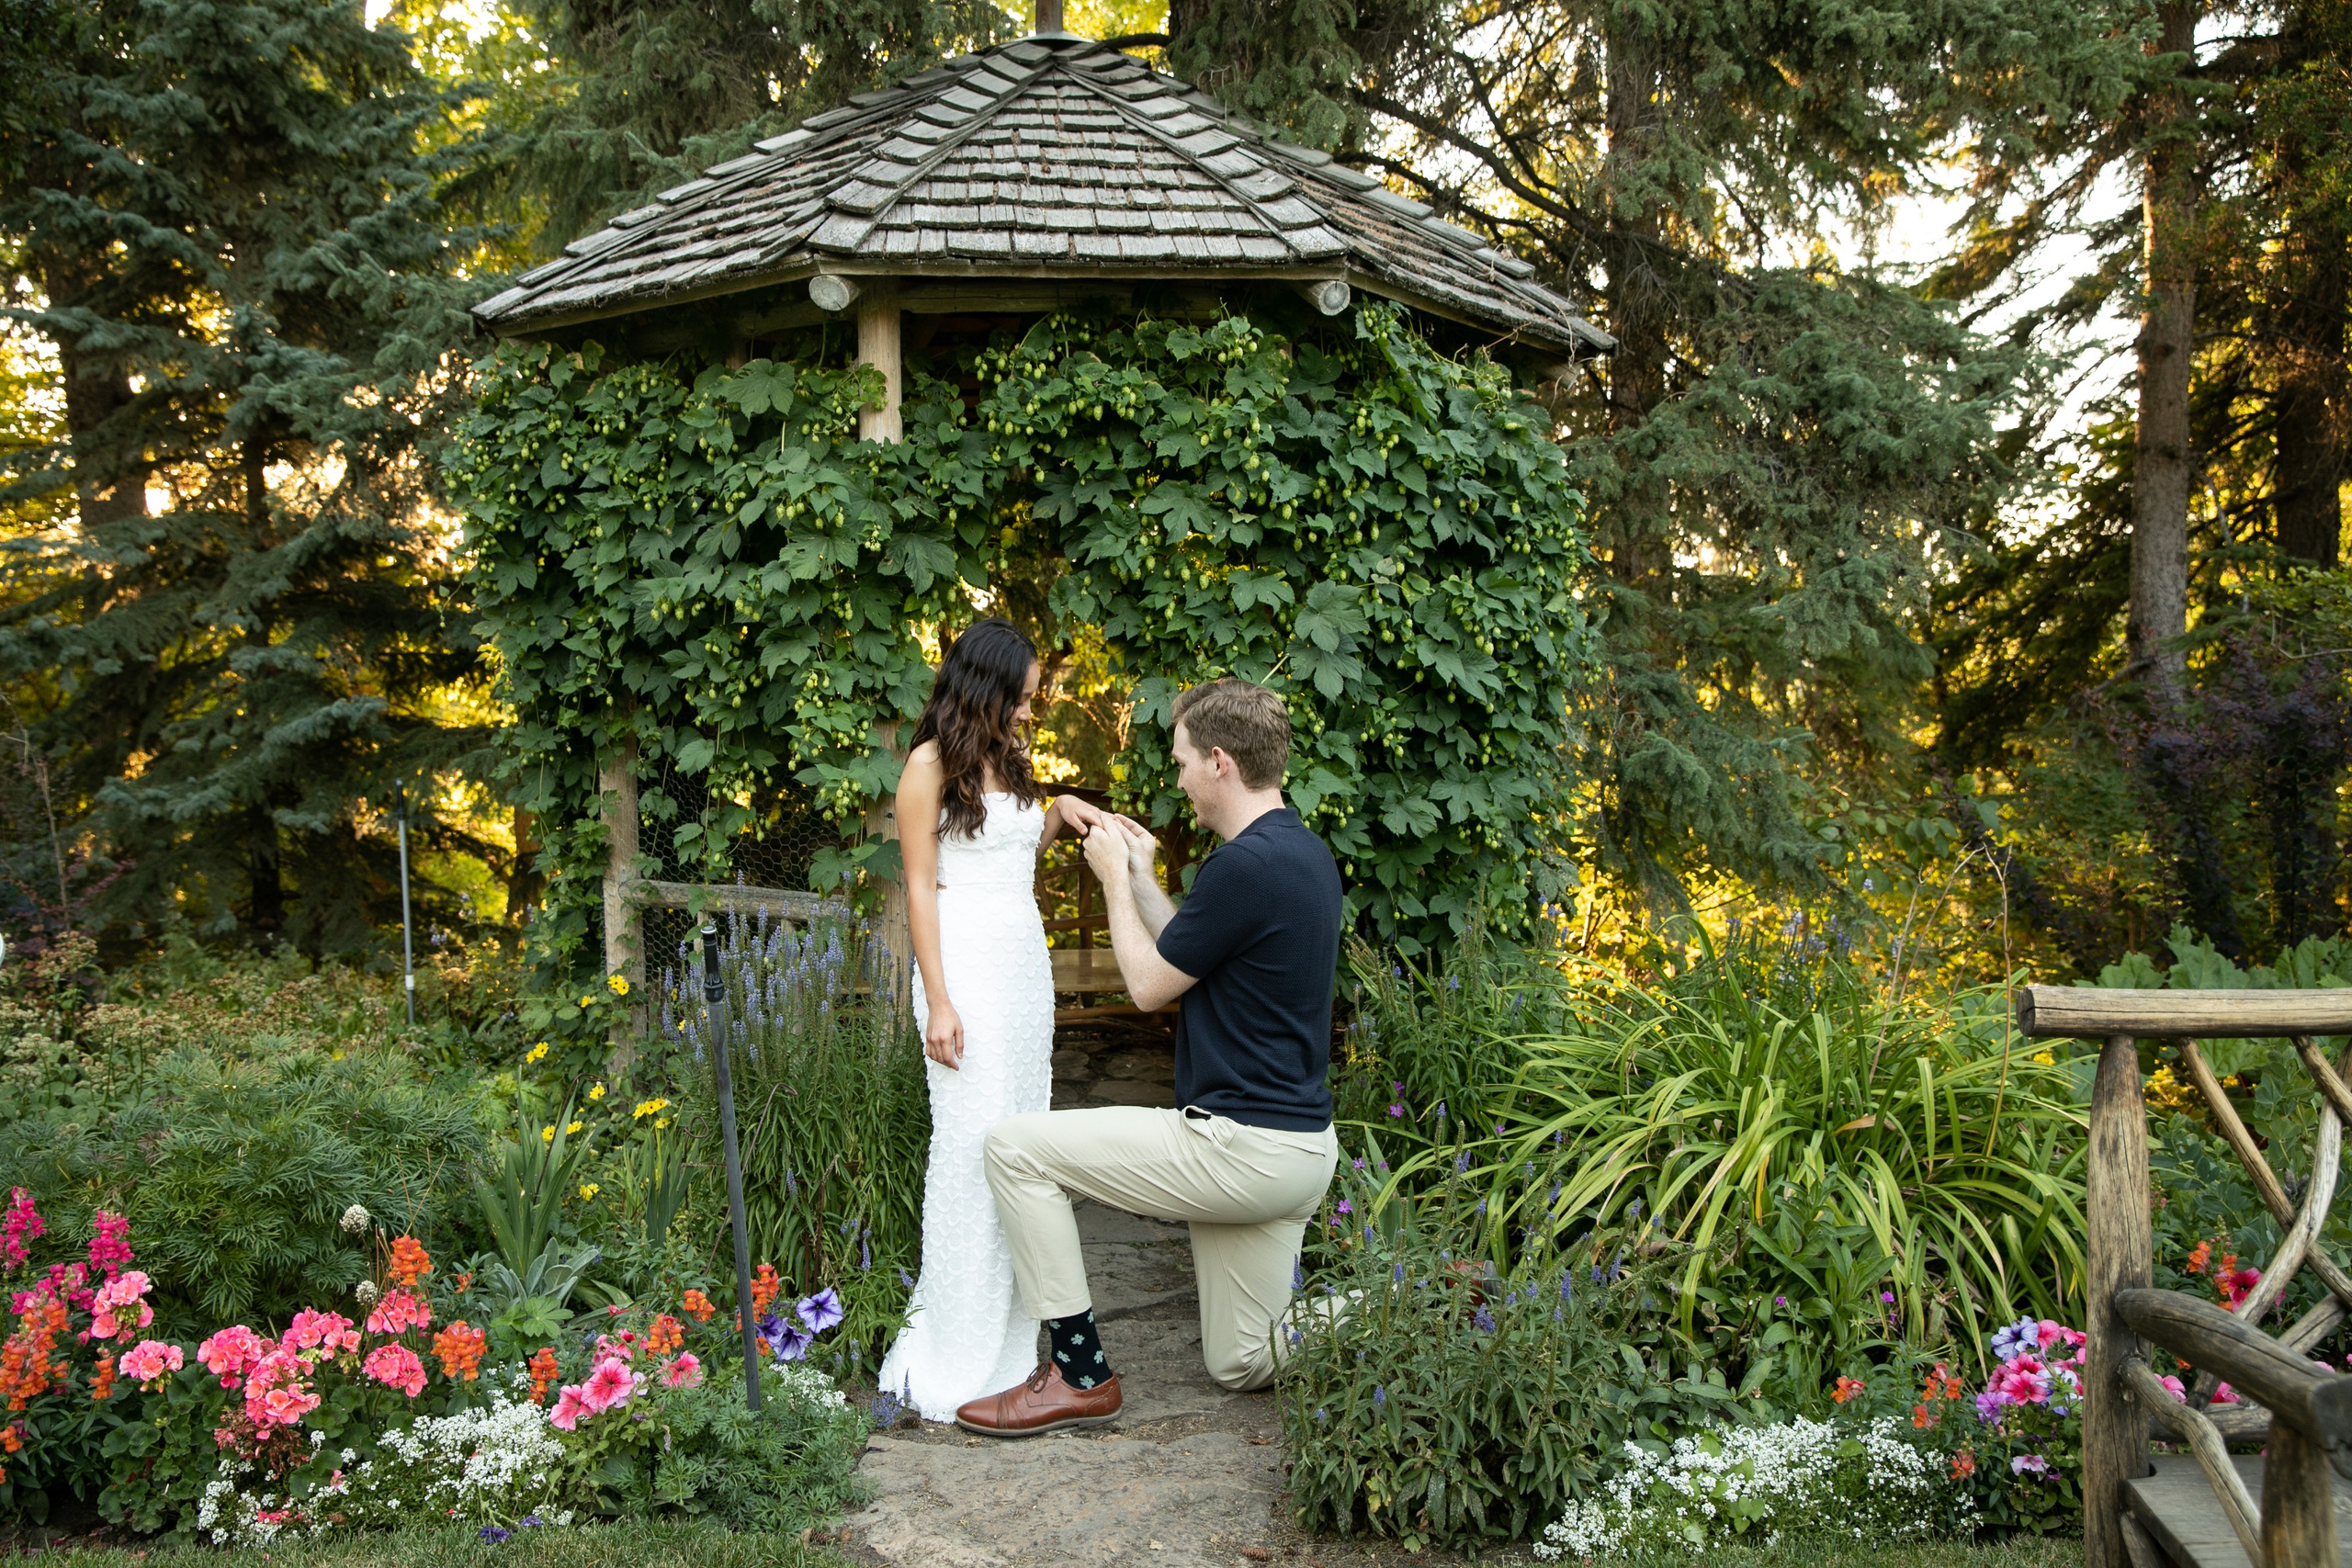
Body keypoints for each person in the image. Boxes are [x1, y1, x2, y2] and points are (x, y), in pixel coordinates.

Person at [955, 676, 1343, 1437]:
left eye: (1182, 761)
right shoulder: (1300, 854)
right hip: (1299, 1152)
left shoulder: (1242, 867)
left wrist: (1108, 885)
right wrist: (1141, 877)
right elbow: (1186, 954)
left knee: (1015, 1150)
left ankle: (1078, 1372)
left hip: (1237, 1148)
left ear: (1221, 761)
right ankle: (1420, 1295)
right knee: (1241, 1360)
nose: (1178, 778)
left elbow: (1145, 985)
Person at [876, 617, 1113, 1423]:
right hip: (964, 978)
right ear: (986, 686)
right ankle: (959, 1339)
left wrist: (1060, 809)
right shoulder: (927, 766)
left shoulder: (1007, 763)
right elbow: (919, 887)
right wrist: (939, 999)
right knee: (972, 1146)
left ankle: (1020, 1337)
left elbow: (1008, 848)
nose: (1027, 713)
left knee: (1020, 1144)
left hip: (1021, 977)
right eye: (1020, 698)